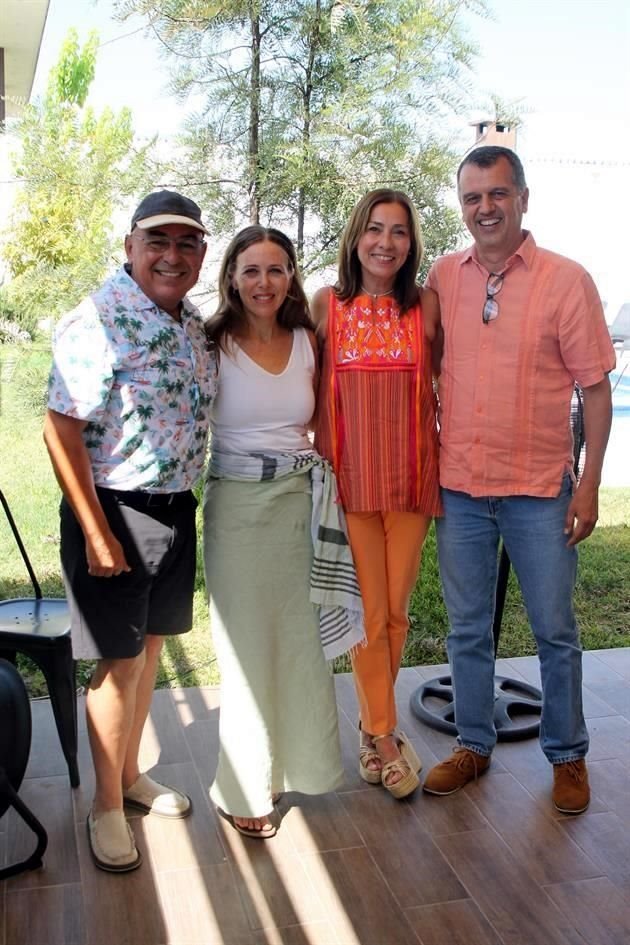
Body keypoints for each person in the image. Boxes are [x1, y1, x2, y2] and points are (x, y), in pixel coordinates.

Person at [422, 146, 615, 815]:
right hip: (461, 488)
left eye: (498, 194)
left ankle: (567, 756)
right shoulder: (444, 276)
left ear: (524, 198)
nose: (485, 208)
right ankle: (473, 743)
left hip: (540, 488)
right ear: (462, 206)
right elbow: (423, 359)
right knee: (467, 627)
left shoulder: (567, 280)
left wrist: (588, 485)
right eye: (473, 197)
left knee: (554, 630)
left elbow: (594, 389)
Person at [44, 190, 216, 871]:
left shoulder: (190, 321)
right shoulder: (99, 319)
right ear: (129, 246)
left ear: (202, 255)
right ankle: (105, 808)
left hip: (175, 506)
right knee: (117, 663)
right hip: (115, 509)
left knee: (145, 652)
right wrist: (95, 531)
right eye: (158, 241)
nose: (171, 255)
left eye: (186, 243)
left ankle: (130, 777)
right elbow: (60, 428)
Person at [203, 225, 346, 838]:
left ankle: (298, 771)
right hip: (235, 507)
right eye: (252, 270)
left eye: (276, 269)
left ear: (291, 276)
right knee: (243, 651)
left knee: (299, 646)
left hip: (297, 503)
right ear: (232, 276)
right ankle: (244, 786)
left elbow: (334, 415)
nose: (264, 282)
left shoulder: (309, 340)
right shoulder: (208, 343)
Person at [313, 189, 442, 798]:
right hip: (351, 483)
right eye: (375, 229)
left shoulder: (428, 308)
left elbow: (448, 382)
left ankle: (370, 731)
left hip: (414, 480)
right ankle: (387, 740)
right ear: (356, 237)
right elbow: (310, 391)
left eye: (398, 231)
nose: (386, 242)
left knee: (395, 612)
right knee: (368, 616)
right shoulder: (326, 306)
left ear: (411, 244)